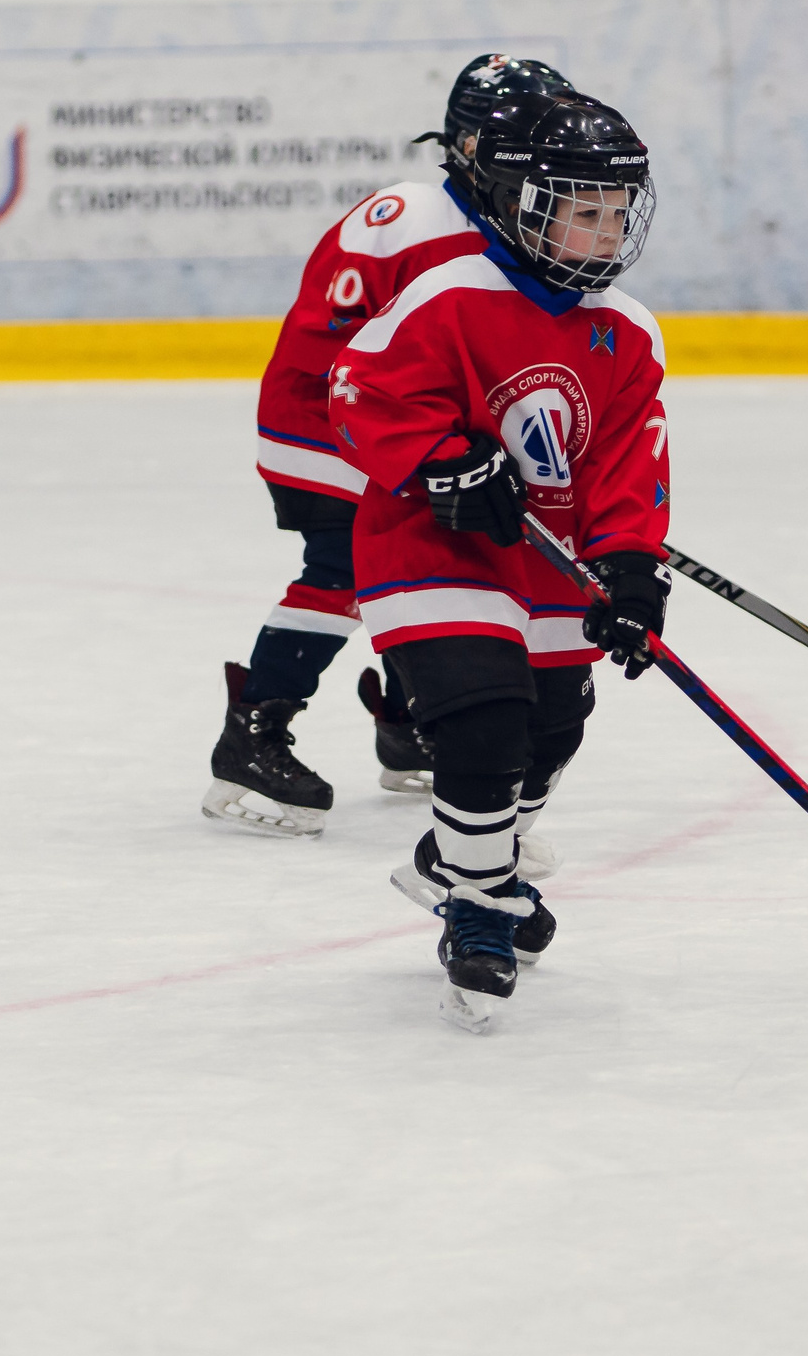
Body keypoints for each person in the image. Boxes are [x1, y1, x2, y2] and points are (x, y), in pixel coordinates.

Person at [329, 86, 670, 1031]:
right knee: (484, 725)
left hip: (550, 566)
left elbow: (629, 456)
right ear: (526, 204)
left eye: (615, 214)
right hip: (426, 546)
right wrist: (443, 460)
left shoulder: (628, 330)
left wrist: (632, 571)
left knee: (551, 734)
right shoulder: (450, 296)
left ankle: (459, 855)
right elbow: (356, 393)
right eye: (582, 211)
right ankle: (477, 911)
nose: (604, 234)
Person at [201, 52, 571, 837]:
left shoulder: (497, 220)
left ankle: (409, 722)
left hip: (385, 419)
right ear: (470, 148)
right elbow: (358, 356)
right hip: (325, 420)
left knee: (442, 554)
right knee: (346, 567)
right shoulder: (414, 217)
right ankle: (253, 732)